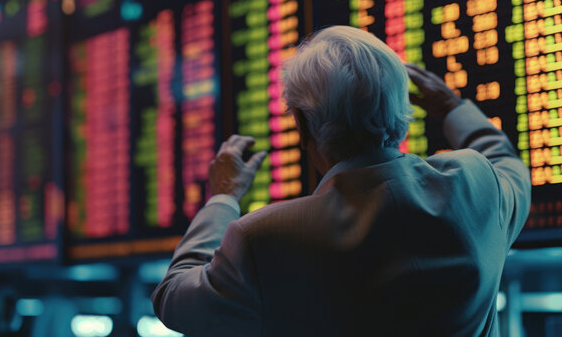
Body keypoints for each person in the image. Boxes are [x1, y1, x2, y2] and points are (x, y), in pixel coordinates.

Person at [152, 25, 531, 336]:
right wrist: (453, 108)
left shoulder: (264, 239)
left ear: (302, 122)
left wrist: (223, 198)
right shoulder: (476, 184)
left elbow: (174, 299)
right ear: (403, 107)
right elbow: (507, 164)